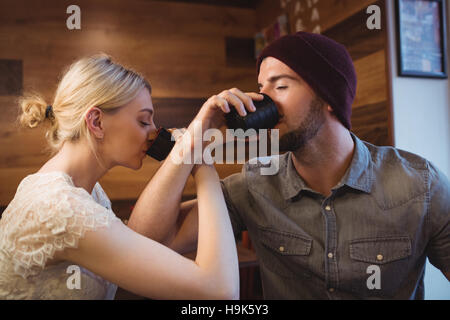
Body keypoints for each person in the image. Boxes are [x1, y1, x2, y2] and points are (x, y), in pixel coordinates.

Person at [129, 32, 450, 299]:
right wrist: (196, 136)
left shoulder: (420, 185)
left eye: (280, 86)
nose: (260, 99)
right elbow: (149, 241)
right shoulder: (254, 185)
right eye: (261, 87)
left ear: (328, 97)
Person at [0, 54, 240, 300]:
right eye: (143, 120)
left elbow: (140, 243)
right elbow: (221, 291)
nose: (153, 132)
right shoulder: (60, 207)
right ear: (96, 122)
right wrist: (200, 160)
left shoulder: (88, 192)